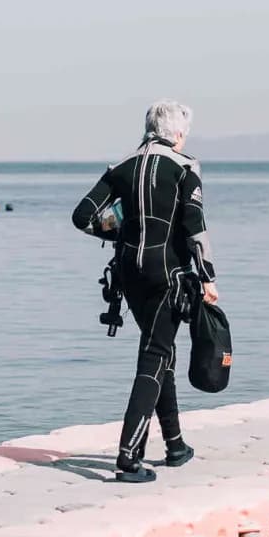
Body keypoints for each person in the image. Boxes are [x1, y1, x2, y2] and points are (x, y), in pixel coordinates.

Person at [72, 102, 218, 484]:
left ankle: (175, 444)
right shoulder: (185, 168)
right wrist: (207, 278)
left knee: (159, 348)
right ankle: (128, 457)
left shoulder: (120, 168)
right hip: (167, 274)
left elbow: (82, 217)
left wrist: (118, 230)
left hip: (128, 276)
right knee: (154, 355)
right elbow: (194, 227)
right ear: (179, 133)